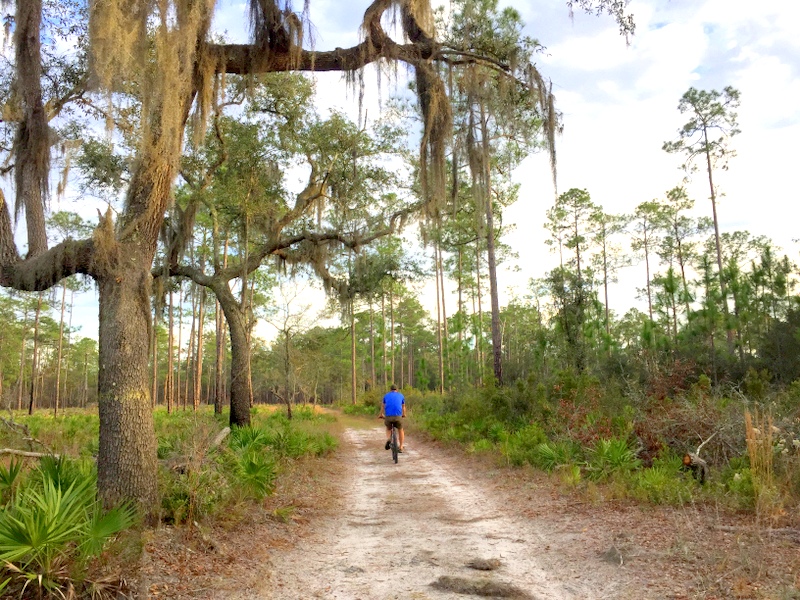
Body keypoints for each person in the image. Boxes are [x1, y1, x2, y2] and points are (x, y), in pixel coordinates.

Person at [379, 384, 406, 452]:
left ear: (390, 390)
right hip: (398, 417)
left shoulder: (386, 395)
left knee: (388, 428)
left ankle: (389, 439)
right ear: (397, 390)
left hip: (388, 417)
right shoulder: (401, 395)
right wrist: (404, 414)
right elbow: (403, 407)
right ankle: (401, 446)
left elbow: (383, 406)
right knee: (400, 429)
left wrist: (380, 415)